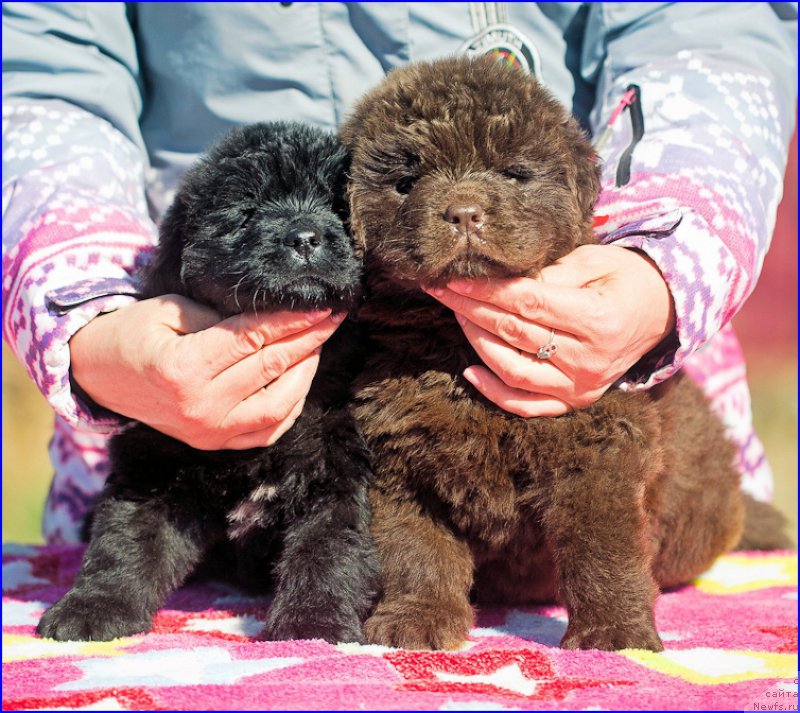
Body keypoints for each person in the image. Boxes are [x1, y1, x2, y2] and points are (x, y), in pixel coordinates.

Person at [3, 3, 796, 544]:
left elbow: (707, 25)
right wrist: (90, 319)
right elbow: (40, 70)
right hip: (175, 399)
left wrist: (660, 260)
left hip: (607, 360)